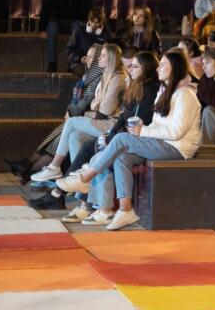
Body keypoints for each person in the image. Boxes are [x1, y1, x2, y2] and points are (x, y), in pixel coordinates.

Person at [55, 50, 202, 231]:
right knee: (121, 156)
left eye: (163, 65)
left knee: (120, 139)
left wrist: (143, 131)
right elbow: (157, 123)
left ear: (175, 69)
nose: (159, 68)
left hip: (177, 148)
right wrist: (143, 127)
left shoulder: (185, 95)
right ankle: (125, 209)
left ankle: (85, 177)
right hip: (163, 143)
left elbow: (176, 132)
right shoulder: (166, 91)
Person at [29, 43, 128, 183]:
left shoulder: (118, 79)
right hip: (102, 120)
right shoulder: (105, 76)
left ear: (111, 59)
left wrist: (95, 107)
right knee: (75, 136)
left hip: (112, 125)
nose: (99, 58)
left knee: (70, 122)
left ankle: (54, 166)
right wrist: (96, 106)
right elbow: (96, 104)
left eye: (103, 55)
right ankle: (78, 181)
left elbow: (104, 111)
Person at [40, 0, 93, 72]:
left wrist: (87, 22)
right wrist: (42, 28)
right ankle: (51, 64)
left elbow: (89, 7)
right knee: (51, 29)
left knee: (78, 29)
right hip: (56, 20)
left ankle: (72, 64)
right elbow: (46, 6)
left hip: (75, 20)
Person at [66, 8, 108, 77]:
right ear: (89, 19)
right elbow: (69, 50)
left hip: (98, 65)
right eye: (92, 21)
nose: (93, 24)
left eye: (97, 22)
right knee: (89, 74)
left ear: (101, 22)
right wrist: (79, 58)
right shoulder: (79, 31)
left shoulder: (105, 33)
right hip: (79, 64)